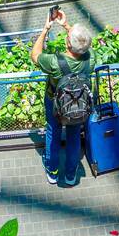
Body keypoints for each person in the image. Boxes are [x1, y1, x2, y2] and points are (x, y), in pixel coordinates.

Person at [31, 11, 94, 187]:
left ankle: (52, 171)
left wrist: (45, 29)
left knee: (53, 132)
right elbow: (84, 44)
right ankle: (70, 174)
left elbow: (35, 55)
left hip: (55, 102)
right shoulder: (91, 58)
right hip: (79, 104)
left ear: (67, 42)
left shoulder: (54, 62)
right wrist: (67, 26)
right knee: (74, 136)